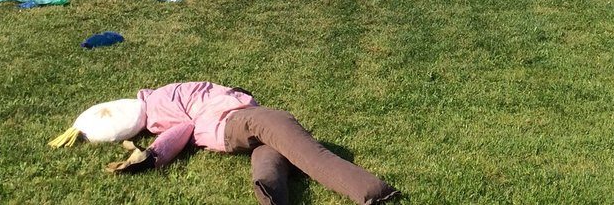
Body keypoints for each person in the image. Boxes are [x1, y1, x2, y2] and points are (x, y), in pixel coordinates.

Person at [93, 81, 399, 205]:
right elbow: (184, 127)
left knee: (270, 151)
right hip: (238, 122)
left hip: (238, 124)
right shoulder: (158, 103)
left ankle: (269, 189)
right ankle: (372, 190)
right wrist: (153, 154)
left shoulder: (163, 96)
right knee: (307, 149)